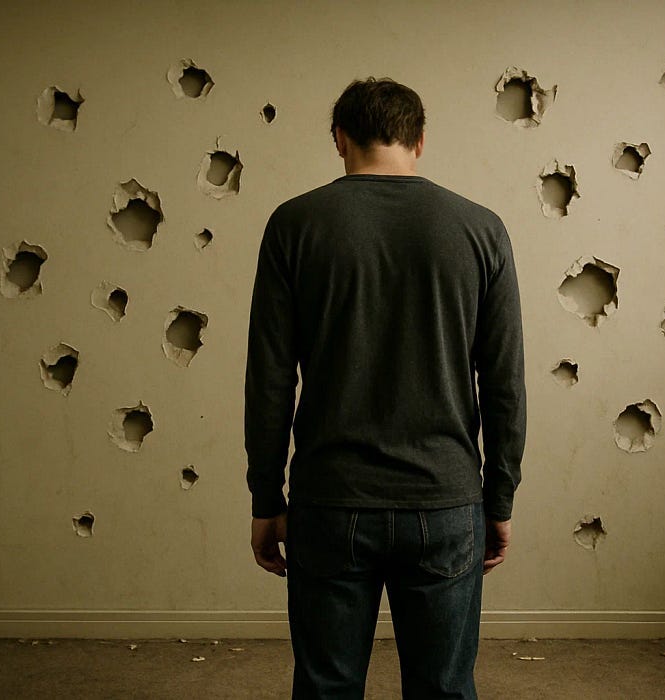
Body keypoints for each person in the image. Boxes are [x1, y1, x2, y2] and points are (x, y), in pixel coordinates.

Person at [245, 77, 526, 699]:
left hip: (330, 499)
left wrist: (266, 497)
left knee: (326, 688)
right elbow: (504, 381)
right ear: (419, 140)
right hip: (445, 500)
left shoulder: (294, 225)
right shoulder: (482, 230)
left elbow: (269, 379)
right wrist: (499, 499)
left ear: (339, 139)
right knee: (444, 689)